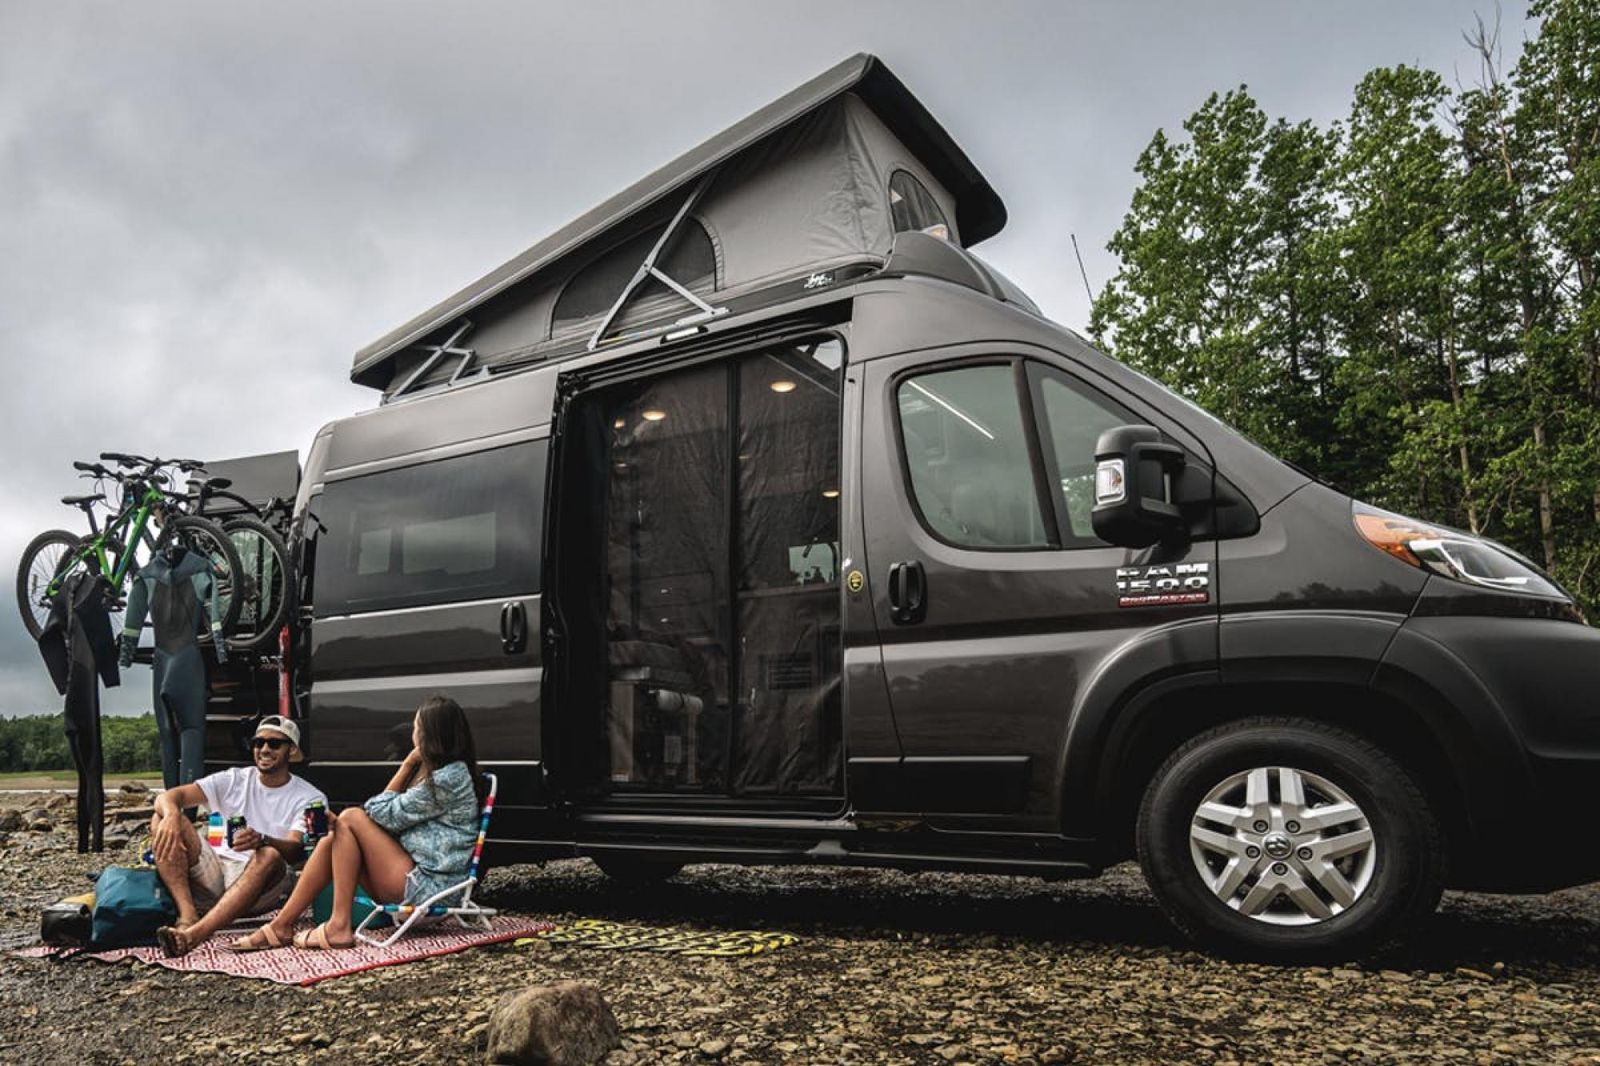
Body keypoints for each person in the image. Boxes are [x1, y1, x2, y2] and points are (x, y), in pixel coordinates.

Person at [229, 695, 485, 951]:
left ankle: (338, 925)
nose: (413, 735)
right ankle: (282, 925)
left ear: (431, 735)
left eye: (417, 728)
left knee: (350, 817)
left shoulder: (447, 780)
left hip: (430, 890)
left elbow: (377, 812)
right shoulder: (443, 776)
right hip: (418, 881)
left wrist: (407, 764)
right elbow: (382, 817)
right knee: (334, 835)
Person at [149, 715, 325, 956]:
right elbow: (168, 797)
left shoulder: (313, 798)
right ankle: (187, 913)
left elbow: (300, 852)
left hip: (261, 884)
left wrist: (263, 839)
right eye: (258, 743)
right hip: (215, 870)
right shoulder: (233, 778)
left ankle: (194, 935)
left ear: (291, 750)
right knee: (162, 818)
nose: (264, 749)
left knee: (269, 854)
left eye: (274, 744)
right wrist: (171, 815)